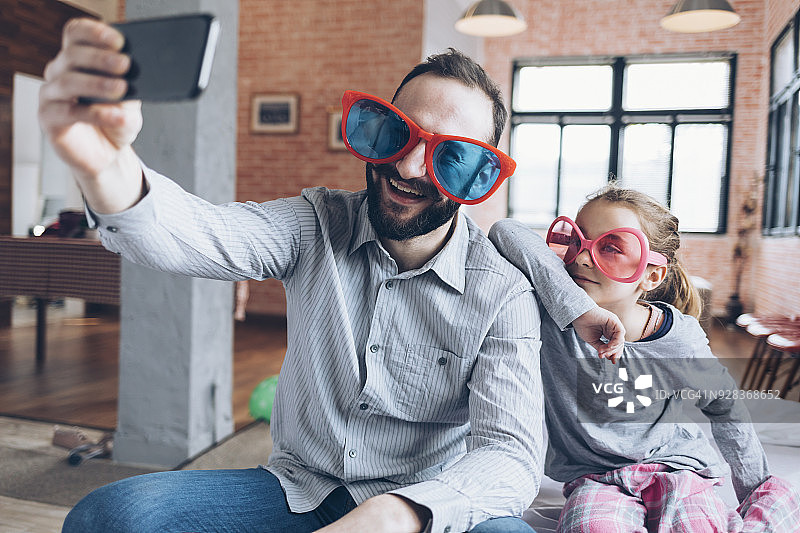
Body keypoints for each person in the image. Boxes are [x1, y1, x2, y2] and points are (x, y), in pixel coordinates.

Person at [40, 18, 625, 533]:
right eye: (398, 134)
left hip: (424, 506)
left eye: (449, 155)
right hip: (298, 492)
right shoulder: (316, 223)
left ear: (476, 177)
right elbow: (196, 232)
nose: (407, 166)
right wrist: (105, 163)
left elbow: (509, 456)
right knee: (108, 516)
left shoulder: (502, 291)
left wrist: (399, 513)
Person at [489, 184, 800, 532]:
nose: (581, 258)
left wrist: (753, 489)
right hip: (595, 479)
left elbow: (725, 406)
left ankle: (772, 500)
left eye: (611, 247)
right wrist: (579, 312)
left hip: (678, 468)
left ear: (652, 275)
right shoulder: (551, 316)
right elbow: (505, 231)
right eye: (576, 240)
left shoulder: (679, 339)